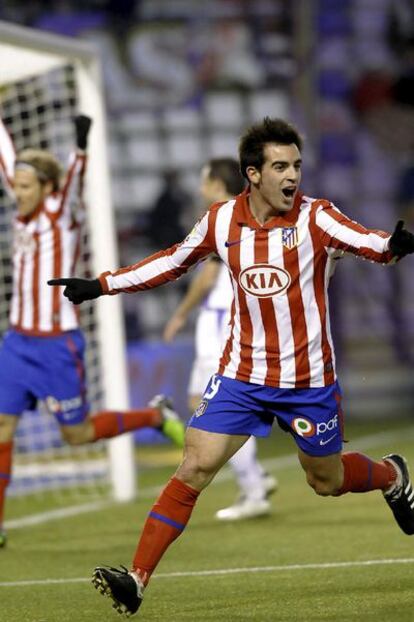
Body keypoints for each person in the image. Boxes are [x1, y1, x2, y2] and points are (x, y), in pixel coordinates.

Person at [50, 117, 414, 617]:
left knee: (324, 481)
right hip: (242, 375)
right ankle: (136, 579)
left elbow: (368, 242)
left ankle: (391, 476)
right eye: (281, 166)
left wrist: (391, 247)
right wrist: (103, 285)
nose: (292, 177)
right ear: (253, 174)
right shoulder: (222, 221)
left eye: (297, 166)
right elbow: (174, 260)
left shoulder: (315, 217)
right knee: (196, 465)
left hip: (306, 382)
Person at [0, 115, 185, 549]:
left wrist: (80, 146)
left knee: (76, 434)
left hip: (56, 346)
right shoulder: (24, 211)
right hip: (16, 342)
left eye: (27, 187)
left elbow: (74, 182)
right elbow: (6, 157)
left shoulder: (61, 214)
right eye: (17, 186)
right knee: (1, 427)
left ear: (46, 187)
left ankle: (156, 416)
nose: (18, 193)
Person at [163, 158, 277, 520]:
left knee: (217, 411)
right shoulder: (244, 215)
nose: (200, 187)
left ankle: (254, 487)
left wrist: (181, 312)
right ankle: (255, 477)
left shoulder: (226, 218)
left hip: (221, 323)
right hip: (223, 321)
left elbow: (207, 277)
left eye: (203, 180)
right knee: (200, 401)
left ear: (215, 182)